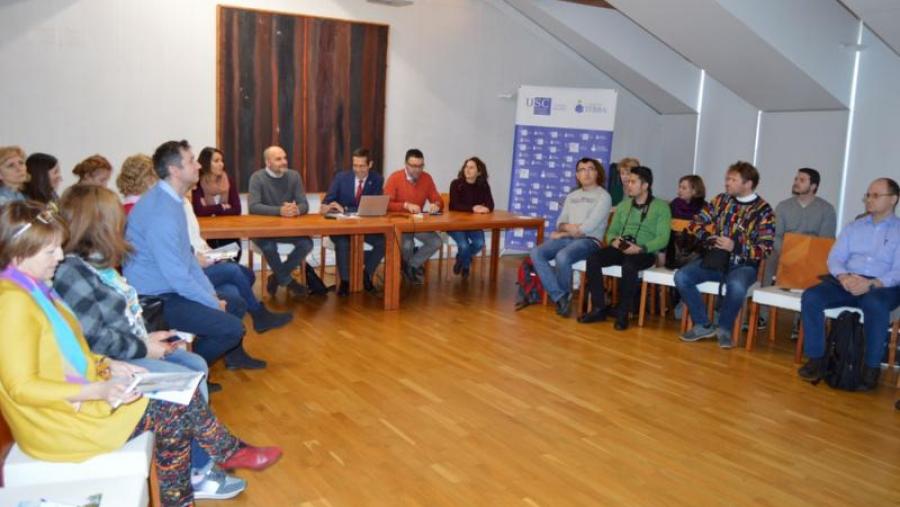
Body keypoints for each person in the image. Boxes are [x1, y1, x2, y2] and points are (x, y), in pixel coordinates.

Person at [0, 200, 281, 506]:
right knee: (176, 407)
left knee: (176, 405)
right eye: (50, 250)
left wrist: (107, 363)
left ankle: (199, 480)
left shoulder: (33, 289)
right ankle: (224, 454)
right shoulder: (12, 303)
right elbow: (22, 387)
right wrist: (99, 388)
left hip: (74, 402)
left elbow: (66, 351)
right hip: (58, 422)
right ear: (19, 252)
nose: (59, 256)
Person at [51, 185, 246, 499]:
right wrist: (144, 347)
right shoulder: (73, 273)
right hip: (109, 366)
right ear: (97, 224)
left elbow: (119, 318)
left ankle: (200, 464)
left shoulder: (96, 265)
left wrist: (148, 337)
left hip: (128, 348)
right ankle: (206, 462)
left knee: (193, 364)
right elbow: (94, 341)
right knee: (188, 374)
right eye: (116, 220)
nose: (123, 226)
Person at [124, 140, 266, 371]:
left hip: (170, 288)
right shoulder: (161, 213)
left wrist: (210, 296)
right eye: (191, 161)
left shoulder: (173, 200)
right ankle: (189, 372)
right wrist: (211, 302)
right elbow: (178, 277)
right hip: (155, 300)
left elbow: (188, 258)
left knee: (236, 303)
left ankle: (231, 359)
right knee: (232, 328)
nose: (199, 165)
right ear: (174, 170)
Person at [798, 178, 900, 389]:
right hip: (847, 281)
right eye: (868, 195)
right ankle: (817, 359)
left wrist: (871, 284)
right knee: (812, 297)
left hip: (882, 286)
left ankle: (871, 369)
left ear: (893, 200)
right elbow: (834, 258)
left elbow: (897, 271)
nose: (868, 200)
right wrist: (844, 277)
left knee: (875, 305)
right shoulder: (854, 227)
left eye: (875, 195)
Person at [676, 161, 775, 348]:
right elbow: (695, 223)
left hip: (744, 265)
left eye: (732, 179)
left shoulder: (764, 211)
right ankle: (703, 324)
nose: (727, 183)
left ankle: (724, 328)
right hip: (716, 261)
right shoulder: (721, 200)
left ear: (748, 183)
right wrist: (709, 237)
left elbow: (765, 249)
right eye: (727, 178)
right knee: (682, 277)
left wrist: (735, 247)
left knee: (736, 285)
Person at [184, 191, 292, 333]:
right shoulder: (168, 209)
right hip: (193, 268)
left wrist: (211, 254)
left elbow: (196, 239)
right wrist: (194, 258)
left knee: (248, 275)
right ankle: (258, 314)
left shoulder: (184, 203)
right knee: (234, 274)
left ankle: (235, 348)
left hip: (206, 256)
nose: (198, 167)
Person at [579, 166, 670, 330]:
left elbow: (663, 239)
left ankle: (623, 314)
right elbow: (612, 231)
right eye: (627, 181)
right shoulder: (623, 206)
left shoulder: (661, 207)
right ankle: (599, 308)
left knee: (629, 266)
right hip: (621, 248)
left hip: (645, 252)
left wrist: (640, 248)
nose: (628, 185)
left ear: (645, 185)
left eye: (633, 182)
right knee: (593, 259)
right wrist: (613, 240)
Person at [529, 157, 612, 317]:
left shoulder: (603, 196)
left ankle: (562, 297)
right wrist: (565, 230)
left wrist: (564, 232)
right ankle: (561, 297)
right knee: (536, 253)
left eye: (590, 169)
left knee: (563, 256)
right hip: (568, 239)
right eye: (582, 170)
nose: (586, 173)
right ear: (577, 175)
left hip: (589, 241)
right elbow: (560, 222)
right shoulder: (572, 196)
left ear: (597, 173)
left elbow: (587, 228)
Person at [760, 168, 837, 331]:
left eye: (802, 180)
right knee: (768, 260)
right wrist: (788, 252)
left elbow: (825, 240)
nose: (796, 182)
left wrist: (803, 254)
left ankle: (801, 321)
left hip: (811, 253)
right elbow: (776, 235)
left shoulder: (826, 209)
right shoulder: (783, 206)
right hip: (784, 250)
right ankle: (762, 315)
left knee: (816, 266)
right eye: (796, 179)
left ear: (813, 186)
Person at [248, 145, 313, 298]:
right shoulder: (257, 178)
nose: (284, 162)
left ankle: (277, 277)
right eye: (278, 159)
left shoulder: (294, 176)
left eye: (284, 158)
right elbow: (253, 206)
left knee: (307, 243)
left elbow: (304, 204)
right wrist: (280, 211)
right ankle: (289, 282)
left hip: (287, 229)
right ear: (268, 162)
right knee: (269, 248)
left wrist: (296, 209)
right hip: (263, 231)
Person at [321, 147, 385, 295]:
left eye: (362, 166)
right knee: (343, 243)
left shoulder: (377, 179)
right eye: (355, 165)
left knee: (383, 242)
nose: (357, 169)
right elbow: (327, 201)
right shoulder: (341, 178)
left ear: (370, 165)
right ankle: (345, 281)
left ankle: (366, 273)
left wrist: (346, 209)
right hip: (341, 227)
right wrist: (327, 207)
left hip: (365, 227)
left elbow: (370, 207)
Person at [384, 148, 443, 284]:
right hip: (398, 223)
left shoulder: (426, 178)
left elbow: (437, 198)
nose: (417, 170)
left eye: (420, 166)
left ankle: (411, 265)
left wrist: (436, 204)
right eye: (413, 166)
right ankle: (409, 268)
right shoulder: (395, 178)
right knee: (407, 245)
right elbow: (386, 203)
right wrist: (405, 205)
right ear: (406, 164)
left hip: (417, 222)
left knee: (436, 242)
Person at [448, 156, 495, 278]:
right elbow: (454, 205)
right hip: (455, 223)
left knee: (479, 243)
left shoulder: (483, 185)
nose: (467, 170)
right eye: (466, 167)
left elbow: (490, 204)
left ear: (479, 172)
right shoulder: (456, 184)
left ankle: (461, 258)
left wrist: (486, 209)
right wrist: (473, 208)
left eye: (471, 168)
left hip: (472, 224)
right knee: (463, 245)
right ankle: (466, 265)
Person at [194, 146, 243, 256]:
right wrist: (221, 207)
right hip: (206, 233)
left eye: (221, 161)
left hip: (227, 229)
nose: (221, 164)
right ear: (206, 163)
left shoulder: (228, 180)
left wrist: (210, 210)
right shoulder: (197, 183)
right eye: (216, 161)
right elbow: (199, 211)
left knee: (235, 252)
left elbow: (236, 209)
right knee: (217, 258)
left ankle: (227, 269)